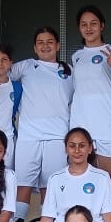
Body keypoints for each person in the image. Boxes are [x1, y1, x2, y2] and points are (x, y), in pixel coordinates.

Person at [10, 26, 74, 209]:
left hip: (57, 137)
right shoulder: (26, 66)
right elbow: (0, 73)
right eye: (40, 43)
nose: (45, 46)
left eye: (50, 42)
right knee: (23, 185)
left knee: (50, 186)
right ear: (34, 47)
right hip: (28, 137)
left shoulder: (69, 71)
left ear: (58, 45)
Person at [31, 127, 111, 222]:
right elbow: (48, 215)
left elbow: (108, 213)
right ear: (66, 149)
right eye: (72, 146)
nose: (77, 151)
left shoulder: (102, 177)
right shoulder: (55, 178)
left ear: (90, 148)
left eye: (82, 146)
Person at [68, 5, 111, 183]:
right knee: (80, 179)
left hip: (105, 126)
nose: (88, 28)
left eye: (93, 23)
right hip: (80, 125)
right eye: (84, 24)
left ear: (102, 26)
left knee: (109, 180)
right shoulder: (76, 57)